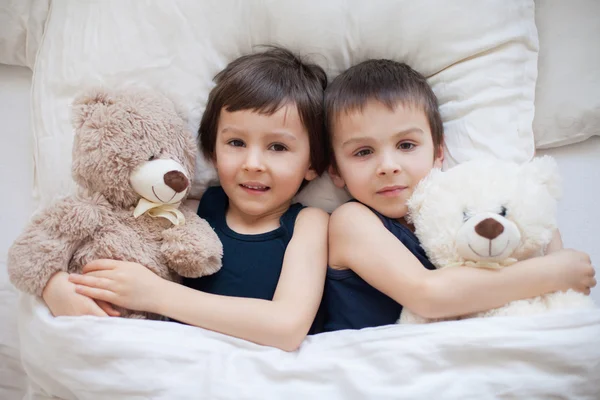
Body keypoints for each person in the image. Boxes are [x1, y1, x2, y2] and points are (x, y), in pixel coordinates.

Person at [47, 47, 330, 351]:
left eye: (277, 147)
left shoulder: (309, 224)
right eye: (236, 142)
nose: (253, 163)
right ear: (212, 152)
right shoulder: (189, 210)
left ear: (313, 163)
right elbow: (101, 253)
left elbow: (286, 327)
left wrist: (156, 294)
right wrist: (57, 289)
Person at [322, 59, 596, 332]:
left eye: (406, 145)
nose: (388, 166)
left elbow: (557, 277)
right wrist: (551, 274)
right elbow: (427, 295)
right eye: (363, 152)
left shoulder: (463, 214)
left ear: (438, 152)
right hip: (375, 362)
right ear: (335, 170)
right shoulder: (350, 221)